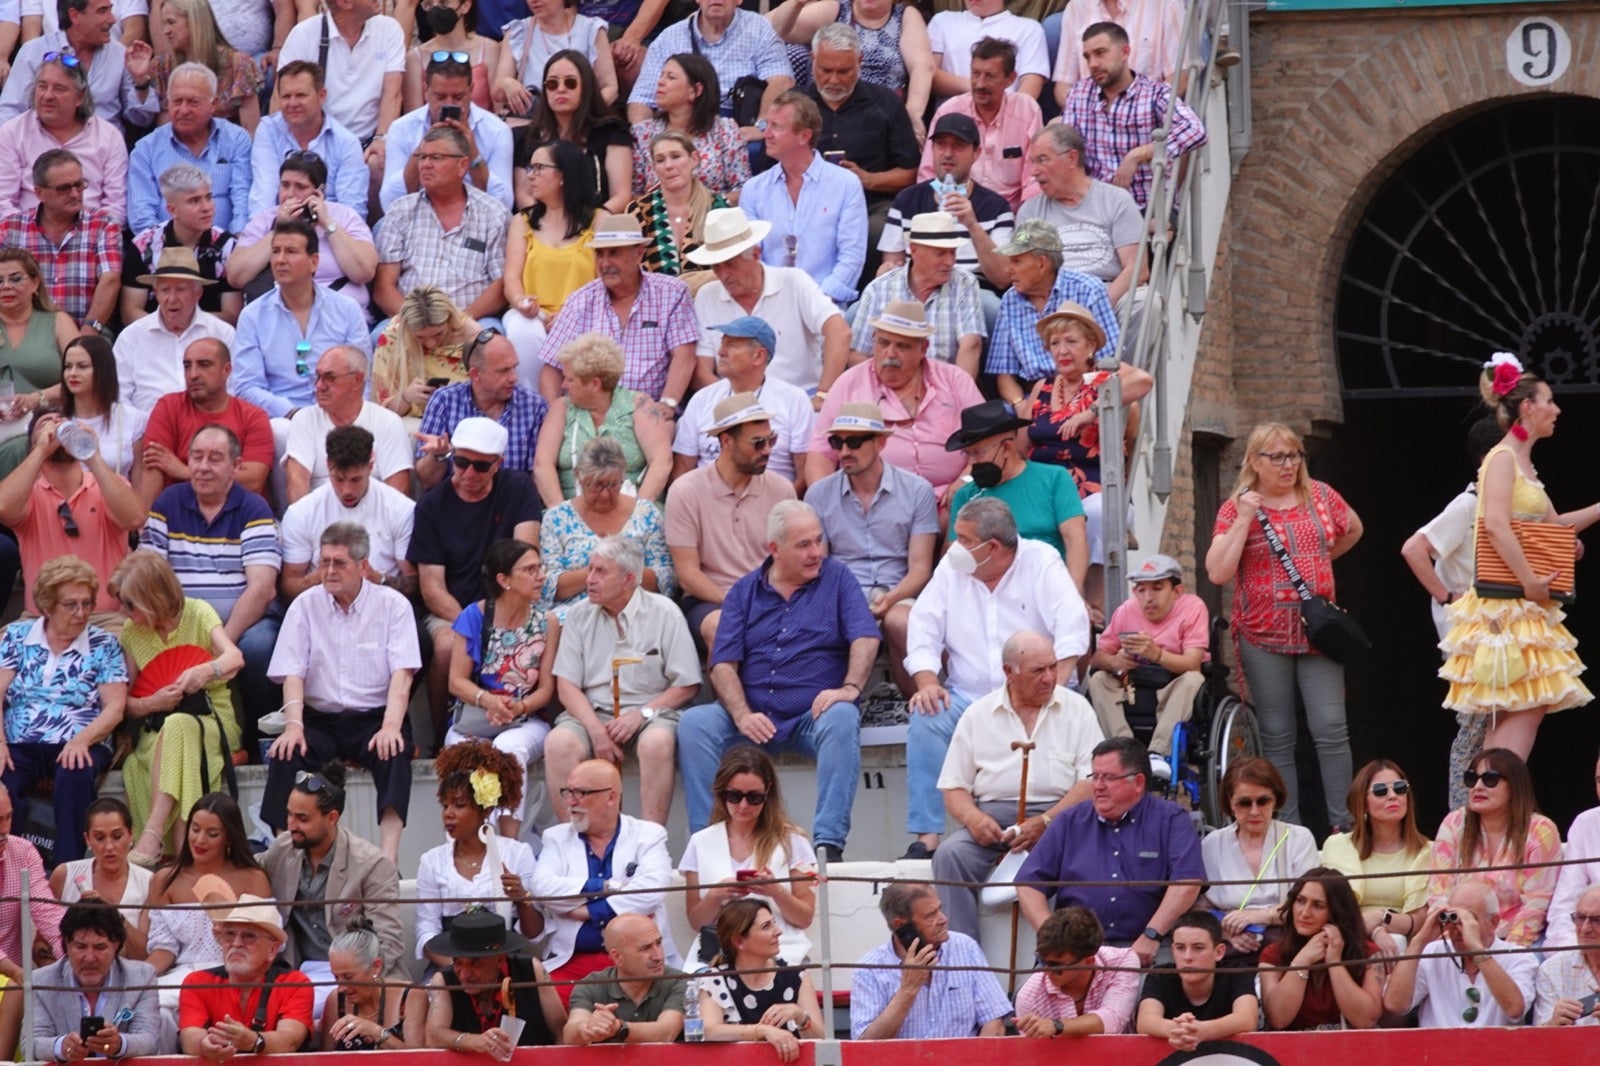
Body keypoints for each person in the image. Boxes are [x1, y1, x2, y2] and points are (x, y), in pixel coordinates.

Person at [678, 501, 876, 861]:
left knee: (844, 715)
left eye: (819, 541)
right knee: (695, 724)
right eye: (804, 545)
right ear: (774, 549)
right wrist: (741, 715)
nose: (816, 552)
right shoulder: (743, 591)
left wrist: (849, 688)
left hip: (809, 716)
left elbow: (866, 635)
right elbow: (722, 662)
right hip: (750, 719)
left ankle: (829, 845)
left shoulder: (838, 578)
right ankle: (709, 844)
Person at [906, 499, 1090, 857]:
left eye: (963, 538)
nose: (954, 546)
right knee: (926, 715)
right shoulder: (952, 567)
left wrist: (1056, 688)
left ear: (992, 548)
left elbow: (1073, 625)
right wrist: (928, 682)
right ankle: (926, 837)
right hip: (966, 697)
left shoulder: (1041, 560)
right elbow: (923, 625)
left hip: (1032, 697)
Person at [1204, 421, 1364, 827]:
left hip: (1319, 634)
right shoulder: (1236, 507)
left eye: (1294, 455)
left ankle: (1343, 825)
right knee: (1277, 734)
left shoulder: (1321, 496)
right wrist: (1243, 518)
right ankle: (1287, 828)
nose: (1288, 464)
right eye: (1276, 456)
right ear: (1254, 462)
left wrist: (1320, 569)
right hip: (1264, 634)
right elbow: (1218, 572)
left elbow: (1353, 529)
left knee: (1331, 729)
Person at [1440, 358, 1596, 759]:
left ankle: (1495, 796)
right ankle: (1500, 791)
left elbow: (1555, 523)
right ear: (1528, 407)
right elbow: (1495, 524)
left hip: (1521, 601)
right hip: (1506, 601)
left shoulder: (1523, 463)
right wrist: (1528, 579)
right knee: (1528, 702)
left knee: (1518, 705)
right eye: (1549, 400)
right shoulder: (1502, 459)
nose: (1556, 409)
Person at [261, 522, 421, 864]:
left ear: (363, 566)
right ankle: (286, 855)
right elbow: (292, 672)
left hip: (374, 716)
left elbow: (403, 674)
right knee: (286, 752)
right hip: (319, 718)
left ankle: (388, 858)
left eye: (339, 563)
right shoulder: (304, 605)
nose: (329, 571)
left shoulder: (393, 605)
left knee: (394, 750)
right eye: (325, 562)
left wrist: (391, 725)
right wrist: (294, 726)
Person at [931, 629, 1100, 938]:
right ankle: (966, 966)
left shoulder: (1078, 710)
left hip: (1061, 820)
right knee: (949, 856)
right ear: (1009, 672)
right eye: (1039, 670)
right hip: (994, 822)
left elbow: (1091, 782)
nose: (1050, 677)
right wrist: (974, 819)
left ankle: (1067, 956)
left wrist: (1047, 821)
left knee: (1087, 857)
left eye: (1052, 666)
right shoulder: (977, 715)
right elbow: (953, 787)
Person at [141, 424, 280, 754]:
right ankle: (146, 743)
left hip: (242, 624)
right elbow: (148, 576)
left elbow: (262, 589)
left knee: (261, 647)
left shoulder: (254, 508)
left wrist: (222, 643)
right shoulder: (167, 504)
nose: (203, 467)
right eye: (197, 457)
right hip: (180, 622)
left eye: (215, 458)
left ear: (236, 466)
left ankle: (257, 745)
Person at [409, 417, 543, 744]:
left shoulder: (518, 488)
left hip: (512, 601)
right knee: (445, 646)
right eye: (461, 462)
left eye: (480, 467)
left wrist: (498, 622)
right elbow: (432, 588)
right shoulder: (431, 504)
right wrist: (474, 625)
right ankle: (442, 735)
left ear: (499, 464)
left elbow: (526, 556)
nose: (468, 473)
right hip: (453, 611)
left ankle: (528, 717)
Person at [546, 533, 696, 824]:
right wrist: (595, 729)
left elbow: (688, 684)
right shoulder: (578, 615)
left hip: (650, 712)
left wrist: (641, 714)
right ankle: (575, 846)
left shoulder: (665, 612)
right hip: (592, 712)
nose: (589, 579)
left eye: (601, 572)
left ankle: (651, 843)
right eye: (590, 569)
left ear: (628, 579)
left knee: (657, 743)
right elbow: (566, 686)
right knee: (558, 743)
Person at [111, 550, 243, 867]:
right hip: (157, 724)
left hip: (210, 720)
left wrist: (204, 672)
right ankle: (183, 853)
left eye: (130, 604)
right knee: (162, 741)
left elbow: (234, 658)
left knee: (179, 726)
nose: (124, 612)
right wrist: (150, 703)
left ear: (151, 597)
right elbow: (124, 701)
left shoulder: (198, 612)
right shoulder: (132, 632)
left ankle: (154, 833)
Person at [1017, 736, 1204, 960]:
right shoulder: (1070, 820)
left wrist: (1152, 935)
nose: (1098, 786)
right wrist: (1053, 938)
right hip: (1076, 952)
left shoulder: (1171, 819)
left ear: (1138, 782)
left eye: (1108, 778)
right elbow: (1028, 883)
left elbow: (1188, 882)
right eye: (1095, 776)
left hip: (1147, 947)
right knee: (1025, 996)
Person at [1401, 416, 1503, 810]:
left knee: (1496, 731)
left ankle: (1492, 814)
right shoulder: (1467, 505)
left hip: (1503, 637)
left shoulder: (1506, 509)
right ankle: (1461, 819)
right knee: (1474, 732)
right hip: (1470, 641)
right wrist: (1447, 597)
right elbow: (1414, 549)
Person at [0, 556, 127, 863]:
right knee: (3, 779)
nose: (81, 613)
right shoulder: (17, 637)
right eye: (70, 605)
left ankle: (68, 870)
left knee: (74, 771)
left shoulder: (104, 643)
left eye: (87, 603)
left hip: (80, 740)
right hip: (19, 742)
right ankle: (10, 870)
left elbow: (115, 706)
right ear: (47, 605)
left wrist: (82, 739)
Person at [1026, 299, 1151, 606]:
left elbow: (1144, 380)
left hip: (1095, 489)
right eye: (1054, 343)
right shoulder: (1042, 387)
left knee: (1094, 514)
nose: (1062, 350)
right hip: (1047, 486)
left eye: (1071, 341)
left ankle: (1088, 603)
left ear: (1091, 344)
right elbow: (1022, 446)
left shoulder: (1104, 379)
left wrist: (1092, 411)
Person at [804, 401, 936, 693]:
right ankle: (840, 709)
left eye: (853, 442)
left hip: (899, 591)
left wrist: (890, 600)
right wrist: (848, 603)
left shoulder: (917, 490)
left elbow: (920, 568)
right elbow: (819, 566)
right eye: (837, 442)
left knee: (901, 620)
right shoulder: (819, 494)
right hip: (843, 592)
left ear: (880, 442)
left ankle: (917, 709)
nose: (844, 452)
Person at [261, 764, 406, 1019]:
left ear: (332, 818)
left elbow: (389, 941)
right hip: (298, 972)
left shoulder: (371, 863)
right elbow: (247, 871)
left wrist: (354, 983)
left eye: (302, 818)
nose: (291, 825)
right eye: (289, 815)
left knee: (288, 1014)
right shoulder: (284, 849)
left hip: (352, 975)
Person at [534, 758, 679, 1006]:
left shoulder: (648, 835)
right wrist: (603, 887)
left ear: (611, 797)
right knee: (543, 1009)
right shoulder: (555, 838)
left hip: (640, 963)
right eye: (568, 792)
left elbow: (652, 888)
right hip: (573, 961)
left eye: (580, 793)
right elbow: (543, 888)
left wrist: (589, 911)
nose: (570, 802)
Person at [442, 540, 559, 839]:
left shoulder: (547, 622)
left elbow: (546, 688)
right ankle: (469, 840)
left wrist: (518, 707)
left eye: (540, 568)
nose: (540, 576)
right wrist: (489, 701)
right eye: (530, 570)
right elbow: (457, 681)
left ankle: (508, 842)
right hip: (477, 715)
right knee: (461, 755)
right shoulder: (475, 615)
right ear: (503, 580)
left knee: (508, 749)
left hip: (527, 718)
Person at [807, 300, 985, 496]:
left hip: (949, 499)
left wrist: (966, 481)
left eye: (902, 346)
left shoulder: (955, 380)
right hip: (875, 500)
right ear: (873, 339)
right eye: (883, 343)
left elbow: (988, 443)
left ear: (923, 348)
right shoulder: (849, 384)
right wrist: (826, 502)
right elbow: (821, 453)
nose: (890, 354)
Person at [664, 392, 797, 648]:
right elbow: (688, 574)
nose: (768, 450)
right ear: (726, 441)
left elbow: (789, 561)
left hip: (771, 596)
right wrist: (738, 603)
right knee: (722, 626)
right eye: (758, 443)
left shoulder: (782, 490)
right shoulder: (685, 491)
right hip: (710, 599)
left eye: (772, 440)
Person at [0, 408, 145, 627]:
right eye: (47, 424)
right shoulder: (28, 493)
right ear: (32, 445)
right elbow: (3, 508)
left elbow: (135, 519)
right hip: (39, 620)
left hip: (103, 619)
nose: (57, 428)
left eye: (63, 423)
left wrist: (92, 454)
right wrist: (40, 452)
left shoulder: (106, 486)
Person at [535, 215, 698, 406]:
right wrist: (557, 413)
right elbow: (551, 368)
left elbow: (684, 356)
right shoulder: (580, 301)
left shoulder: (671, 293)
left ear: (638, 253)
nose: (604, 263)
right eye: (600, 254)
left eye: (613, 253)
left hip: (647, 412)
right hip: (589, 414)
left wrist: (667, 405)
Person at [687, 207, 850, 396]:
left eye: (730, 264)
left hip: (800, 401)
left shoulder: (793, 281)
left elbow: (839, 332)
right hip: (733, 407)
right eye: (716, 266)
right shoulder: (707, 295)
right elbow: (702, 372)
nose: (723, 275)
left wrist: (824, 394)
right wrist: (733, 404)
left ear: (756, 255)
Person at [679, 746, 816, 966]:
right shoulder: (700, 842)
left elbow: (804, 917)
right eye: (734, 796)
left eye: (753, 797)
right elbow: (696, 922)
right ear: (721, 793)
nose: (743, 806)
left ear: (767, 794)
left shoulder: (793, 841)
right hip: (718, 954)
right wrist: (716, 895)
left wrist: (776, 891)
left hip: (782, 952)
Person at [794, 22, 919, 262]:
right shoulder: (794, 105)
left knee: (878, 232)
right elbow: (772, 167)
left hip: (869, 204)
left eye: (843, 72)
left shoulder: (885, 104)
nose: (833, 80)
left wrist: (869, 179)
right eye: (825, 70)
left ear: (859, 62)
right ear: (812, 60)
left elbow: (910, 173)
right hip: (804, 202)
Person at [229, 219, 372, 424]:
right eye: (276, 251)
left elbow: (361, 378)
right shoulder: (253, 315)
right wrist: (294, 414)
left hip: (338, 415)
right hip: (281, 418)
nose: (280, 259)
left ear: (314, 262)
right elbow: (247, 386)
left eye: (291, 251)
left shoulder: (346, 309)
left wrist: (347, 416)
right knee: (280, 429)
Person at [414, 742, 544, 968]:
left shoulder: (517, 853)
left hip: (502, 963)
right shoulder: (431, 861)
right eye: (445, 806)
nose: (448, 814)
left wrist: (522, 899)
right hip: (451, 965)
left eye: (459, 805)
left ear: (485, 809)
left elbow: (533, 933)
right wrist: (460, 969)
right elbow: (427, 931)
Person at [373, 126, 512, 329]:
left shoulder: (493, 213)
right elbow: (384, 288)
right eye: (422, 157)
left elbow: (500, 285)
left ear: (462, 165)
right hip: (409, 321)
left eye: (436, 158)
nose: (425, 165)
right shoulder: (400, 211)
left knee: (491, 339)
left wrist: (460, 321)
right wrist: (419, 324)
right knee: (379, 338)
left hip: (473, 319)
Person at [1060, 22, 1207, 211]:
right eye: (1087, 57)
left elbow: (1195, 130)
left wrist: (1140, 154)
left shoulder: (1155, 92)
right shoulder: (1078, 93)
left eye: (1100, 53)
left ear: (1125, 52)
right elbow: (1068, 150)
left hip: (1147, 208)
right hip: (1096, 209)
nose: (1092, 64)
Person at [1086, 554, 1210, 777]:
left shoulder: (1193, 607)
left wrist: (1157, 654)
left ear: (1177, 591)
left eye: (1157, 588)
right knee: (1098, 679)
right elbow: (1097, 657)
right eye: (1141, 590)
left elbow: (1193, 662)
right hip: (1135, 684)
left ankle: (1158, 753)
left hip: (1174, 683)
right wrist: (1116, 661)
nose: (1148, 597)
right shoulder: (1126, 610)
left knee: (1195, 678)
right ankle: (1123, 749)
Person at [741, 91, 868, 306]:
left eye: (777, 127)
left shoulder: (846, 184)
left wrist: (815, 303)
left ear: (804, 136)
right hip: (769, 305)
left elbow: (851, 257)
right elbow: (752, 257)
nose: (767, 134)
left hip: (827, 307)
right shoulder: (754, 189)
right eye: (766, 126)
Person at [1428, 747, 1561, 947]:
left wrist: (1505, 954)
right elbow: (1439, 894)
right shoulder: (1454, 823)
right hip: (1457, 937)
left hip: (1516, 941)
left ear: (1515, 786)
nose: (1478, 786)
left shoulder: (1540, 830)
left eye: (1490, 779)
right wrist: (1453, 940)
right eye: (1472, 779)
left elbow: (1536, 905)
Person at [143, 793, 272, 996]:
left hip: (239, 976)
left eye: (212, 834)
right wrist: (139, 978)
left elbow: (269, 942)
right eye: (195, 829)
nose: (200, 840)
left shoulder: (253, 879)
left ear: (229, 837)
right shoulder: (165, 880)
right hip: (184, 975)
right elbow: (164, 948)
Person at [850, 880, 1010, 1039]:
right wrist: (907, 991)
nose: (943, 919)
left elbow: (994, 1021)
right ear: (900, 924)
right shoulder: (870, 969)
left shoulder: (965, 947)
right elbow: (865, 1044)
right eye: (930, 915)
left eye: (939, 909)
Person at [279, 425, 417, 603]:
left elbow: (415, 582)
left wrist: (379, 579)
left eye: (356, 480)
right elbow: (289, 584)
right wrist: (318, 578)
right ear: (328, 465)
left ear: (370, 465)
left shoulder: (401, 509)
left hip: (384, 607)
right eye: (338, 479)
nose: (347, 490)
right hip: (322, 608)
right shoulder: (301, 512)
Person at [541, 437, 676, 620]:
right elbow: (549, 586)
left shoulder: (646, 514)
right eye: (596, 485)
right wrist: (605, 572)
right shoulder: (556, 518)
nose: (605, 495)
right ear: (578, 476)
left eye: (613, 484)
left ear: (623, 476)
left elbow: (665, 578)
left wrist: (615, 578)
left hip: (637, 613)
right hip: (575, 615)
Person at [1197, 757, 1318, 960]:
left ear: (1276, 800)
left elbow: (1313, 905)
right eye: (1244, 803)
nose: (1254, 811)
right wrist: (1225, 933)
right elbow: (1198, 908)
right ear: (1230, 803)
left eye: (1263, 801)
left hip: (1288, 949)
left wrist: (1262, 916)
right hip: (1230, 950)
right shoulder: (1212, 843)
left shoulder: (1299, 838)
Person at [986, 220, 1119, 403]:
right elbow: (1003, 374)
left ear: (1042, 264)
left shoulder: (1088, 289)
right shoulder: (1010, 299)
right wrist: (1020, 405)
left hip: (1085, 393)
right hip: (1033, 397)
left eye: (1016, 261)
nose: (1008, 269)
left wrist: (1081, 403)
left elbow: (1109, 360)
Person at [227, 152, 378, 313]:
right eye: (285, 185)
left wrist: (328, 224)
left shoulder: (345, 216)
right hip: (279, 315)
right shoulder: (265, 219)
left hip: (339, 315)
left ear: (319, 191)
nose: (290, 194)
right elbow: (236, 276)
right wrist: (279, 229)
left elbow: (364, 272)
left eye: (300, 187)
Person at [1018, 124, 1144, 316]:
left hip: (1107, 291)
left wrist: (1098, 307)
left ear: (1071, 158)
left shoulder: (1117, 200)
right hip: (1053, 297)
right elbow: (1025, 272)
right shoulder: (1030, 211)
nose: (1034, 171)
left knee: (1144, 302)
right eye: (1032, 162)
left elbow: (1137, 268)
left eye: (1042, 160)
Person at [534, 335, 673, 507]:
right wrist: (561, 513)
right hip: (571, 511)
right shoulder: (561, 408)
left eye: (570, 379)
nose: (563, 385)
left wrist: (639, 511)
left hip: (633, 509)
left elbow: (661, 461)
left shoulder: (640, 405)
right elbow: (542, 465)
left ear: (594, 384)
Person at [675, 317, 810, 486]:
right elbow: (682, 469)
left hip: (772, 502)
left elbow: (804, 474)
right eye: (722, 343)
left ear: (758, 356)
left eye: (731, 345)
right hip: (708, 502)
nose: (720, 352)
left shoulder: (794, 400)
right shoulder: (702, 399)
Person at [894, 113, 1015, 303]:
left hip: (974, 291)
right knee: (856, 310)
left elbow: (1002, 278)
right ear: (931, 149)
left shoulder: (997, 207)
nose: (948, 153)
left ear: (977, 153)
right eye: (941, 144)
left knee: (992, 306)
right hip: (917, 288)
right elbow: (892, 264)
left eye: (959, 145)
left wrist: (973, 225)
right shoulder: (907, 200)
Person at [1383, 882, 1537, 1028]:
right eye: (1454, 917)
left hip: (1494, 1052)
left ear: (1493, 923)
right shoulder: (1433, 952)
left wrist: (1477, 950)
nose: (1458, 927)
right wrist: (1419, 941)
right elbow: (1395, 1005)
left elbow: (1515, 1010)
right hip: (1439, 1051)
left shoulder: (1519, 957)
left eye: (1469, 918)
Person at [137, 338, 271, 505]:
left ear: (226, 370)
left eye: (204, 364)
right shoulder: (168, 407)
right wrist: (147, 526)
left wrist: (184, 471)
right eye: (187, 366)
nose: (193, 374)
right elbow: (154, 466)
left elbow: (253, 481)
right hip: (179, 513)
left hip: (237, 516)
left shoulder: (253, 416)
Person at [625, 0, 795, 131]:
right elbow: (641, 99)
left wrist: (761, 126)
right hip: (680, 126)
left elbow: (781, 80)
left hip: (739, 121)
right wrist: (648, 139)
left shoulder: (760, 28)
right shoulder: (669, 37)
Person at [176, 896, 313, 1058]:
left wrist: (253, 1041)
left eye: (249, 936)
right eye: (229, 934)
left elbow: (290, 1041)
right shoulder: (197, 982)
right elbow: (189, 1039)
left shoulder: (296, 983)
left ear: (272, 950)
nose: (236, 943)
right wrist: (204, 1047)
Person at [1320, 759, 1432, 956]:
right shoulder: (1337, 845)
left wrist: (1381, 917)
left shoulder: (1428, 851)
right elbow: (1332, 908)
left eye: (1399, 788)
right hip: (1348, 939)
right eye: (1381, 791)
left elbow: (1419, 920)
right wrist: (1375, 930)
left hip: (1406, 944)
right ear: (1361, 803)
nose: (1392, 796)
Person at [852, 211, 985, 377]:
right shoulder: (879, 288)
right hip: (887, 387)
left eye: (952, 252)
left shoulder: (965, 283)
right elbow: (858, 353)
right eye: (940, 253)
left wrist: (958, 394)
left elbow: (971, 345)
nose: (950, 262)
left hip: (945, 388)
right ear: (914, 251)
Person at [769, 0, 932, 135]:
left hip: (881, 118)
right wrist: (796, 3)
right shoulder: (835, 8)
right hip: (824, 113)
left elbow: (922, 66)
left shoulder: (905, 16)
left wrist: (913, 112)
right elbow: (770, 31)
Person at [502, 140, 597, 370]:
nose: (530, 176)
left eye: (539, 168)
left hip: (585, 312)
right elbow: (511, 277)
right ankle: (532, 404)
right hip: (532, 314)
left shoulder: (599, 220)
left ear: (563, 175)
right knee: (523, 330)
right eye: (529, 168)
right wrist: (521, 302)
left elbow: (605, 281)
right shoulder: (522, 221)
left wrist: (569, 315)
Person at [0, 149, 121, 328]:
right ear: (39, 193)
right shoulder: (11, 228)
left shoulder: (103, 223)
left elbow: (110, 280)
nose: (74, 194)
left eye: (79, 185)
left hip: (87, 329)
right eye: (64, 188)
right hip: (24, 333)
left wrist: (87, 333)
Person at [126, 64, 252, 235]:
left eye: (193, 102)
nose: (183, 110)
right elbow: (142, 215)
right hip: (167, 252)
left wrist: (236, 243)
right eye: (177, 101)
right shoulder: (145, 149)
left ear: (213, 104)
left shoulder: (236, 139)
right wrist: (166, 252)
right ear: (167, 103)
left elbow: (242, 199)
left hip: (228, 248)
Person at [378, 54, 514, 212]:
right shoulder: (402, 128)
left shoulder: (497, 130)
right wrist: (423, 150)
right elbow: (388, 201)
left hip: (477, 216)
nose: (449, 104)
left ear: (471, 90)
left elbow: (504, 204)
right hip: (417, 215)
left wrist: (473, 153)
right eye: (440, 97)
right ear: (425, 91)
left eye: (458, 97)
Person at [919, 38, 1042, 212]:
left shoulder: (1027, 110)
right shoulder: (949, 111)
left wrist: (1024, 221)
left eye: (990, 76)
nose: (980, 84)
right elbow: (928, 174)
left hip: (1010, 215)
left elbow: (1034, 178)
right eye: (975, 73)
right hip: (954, 211)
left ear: (1010, 79)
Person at [31, 902, 165, 1061]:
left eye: (100, 947)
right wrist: (61, 1046)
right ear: (66, 944)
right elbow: (32, 1043)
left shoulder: (142, 976)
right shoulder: (40, 980)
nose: (89, 958)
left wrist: (119, 1043)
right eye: (80, 946)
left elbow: (149, 1039)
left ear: (116, 946)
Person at [414, 331, 548, 488]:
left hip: (511, 506)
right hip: (457, 507)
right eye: (503, 371)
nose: (514, 378)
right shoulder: (444, 401)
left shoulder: (534, 406)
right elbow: (426, 481)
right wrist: (439, 454)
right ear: (475, 374)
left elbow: (538, 478)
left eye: (514, 368)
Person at [275, 0, 404, 162]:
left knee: (378, 161)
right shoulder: (303, 34)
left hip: (366, 143)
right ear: (345, 2)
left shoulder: (389, 29)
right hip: (315, 143)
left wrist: (381, 139)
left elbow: (393, 95)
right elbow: (281, 97)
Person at [283, 345, 413, 504]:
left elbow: (398, 495)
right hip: (319, 519)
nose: (319, 386)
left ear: (357, 379)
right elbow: (297, 487)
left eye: (329, 378)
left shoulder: (388, 422)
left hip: (374, 520)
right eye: (318, 377)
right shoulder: (304, 419)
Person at [0, 63, 128, 224]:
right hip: (25, 240)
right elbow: (3, 202)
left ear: (80, 97)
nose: (47, 96)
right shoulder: (12, 132)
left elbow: (116, 206)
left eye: (59, 89)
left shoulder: (109, 136)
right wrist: (32, 235)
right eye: (42, 86)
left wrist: (86, 234)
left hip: (91, 239)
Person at [0, 0, 157, 129]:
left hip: (102, 156)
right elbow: (9, 112)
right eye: (103, 11)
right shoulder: (33, 52)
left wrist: (141, 82)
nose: (112, 19)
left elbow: (142, 120)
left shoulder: (119, 54)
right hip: (42, 154)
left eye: (111, 10)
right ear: (74, 15)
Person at [1258, 867, 1382, 1030]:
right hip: (1293, 1047)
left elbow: (1366, 1020)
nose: (1304, 913)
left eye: (1318, 905)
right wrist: (1303, 960)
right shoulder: (1273, 954)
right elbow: (1278, 1019)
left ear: (1337, 912)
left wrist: (1334, 962)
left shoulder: (1368, 953)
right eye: (1300, 901)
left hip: (1350, 1046)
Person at [112, 255, 235, 418]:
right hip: (147, 429)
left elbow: (234, 390)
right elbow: (118, 397)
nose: (171, 299)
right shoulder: (131, 337)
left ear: (198, 293)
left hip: (209, 428)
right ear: (155, 293)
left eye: (180, 289)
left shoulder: (222, 333)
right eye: (164, 290)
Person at [423, 911, 564, 1051]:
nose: (464, 975)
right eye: (457, 962)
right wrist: (473, 1041)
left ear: (500, 959)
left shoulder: (532, 971)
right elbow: (433, 1037)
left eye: (474, 963)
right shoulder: (444, 980)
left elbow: (561, 1031)